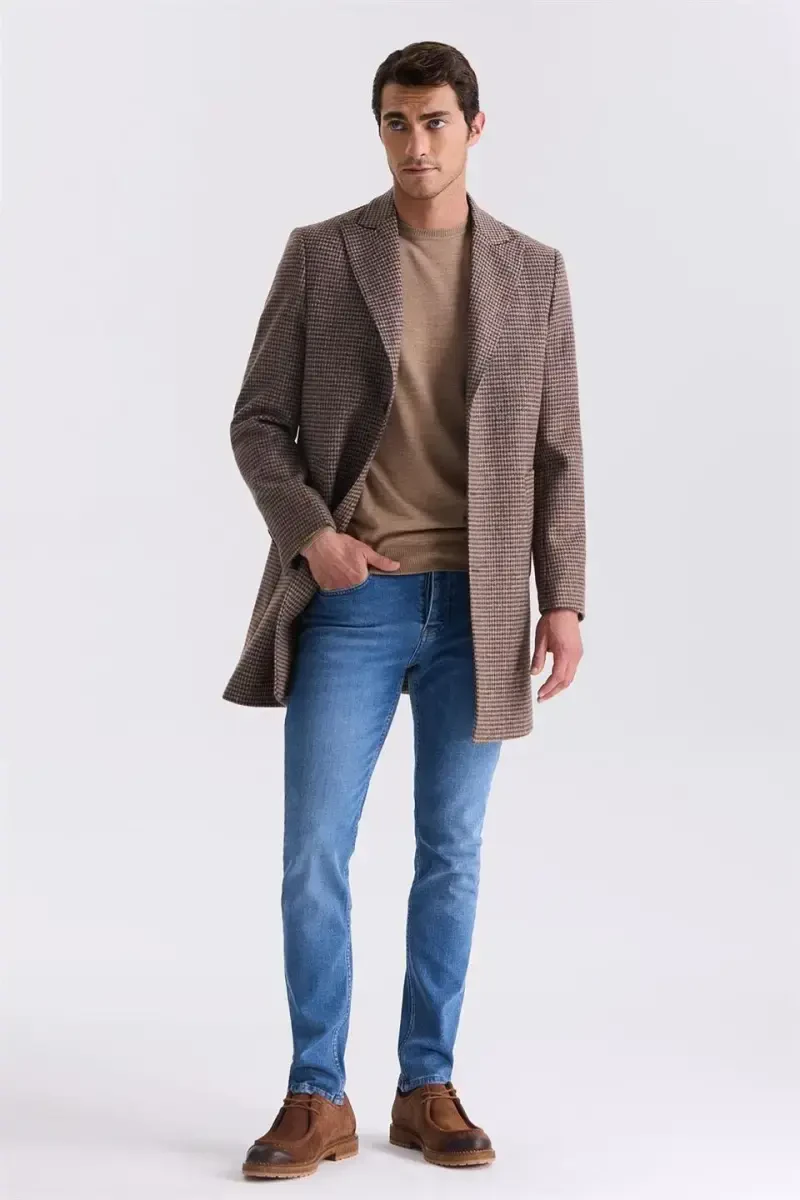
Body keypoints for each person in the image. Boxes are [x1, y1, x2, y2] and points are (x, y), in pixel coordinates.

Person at [226, 40, 586, 1180]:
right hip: (355, 601)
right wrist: (313, 537)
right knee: (313, 852)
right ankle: (315, 1094)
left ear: (473, 127)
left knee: (452, 853)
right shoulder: (325, 255)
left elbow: (557, 452)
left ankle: (425, 1085)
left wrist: (565, 600)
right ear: (378, 129)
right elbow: (257, 422)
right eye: (396, 122)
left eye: (434, 122)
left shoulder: (533, 272)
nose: (415, 144)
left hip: (480, 609)